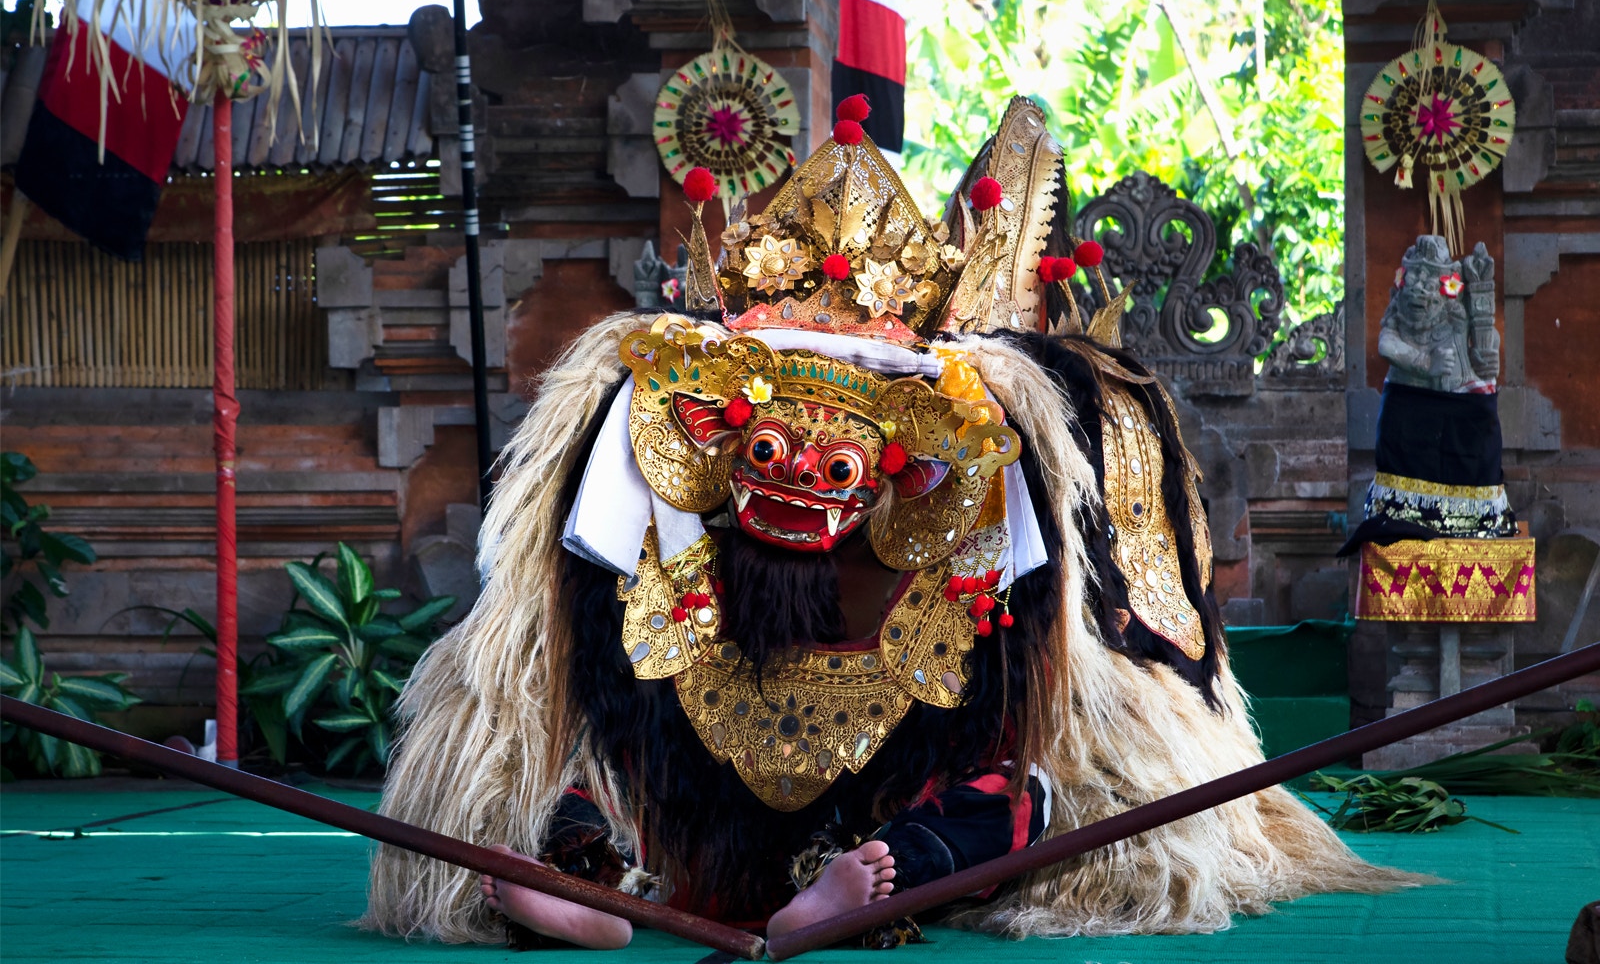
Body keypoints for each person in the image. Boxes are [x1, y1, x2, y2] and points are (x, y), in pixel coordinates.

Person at [364, 97, 1414, 950]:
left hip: (894, 787)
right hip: (691, 791)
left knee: (1037, 792)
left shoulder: (990, 516)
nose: (796, 473)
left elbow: (1042, 712)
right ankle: (585, 874)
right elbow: (565, 671)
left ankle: (882, 878)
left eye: (836, 457)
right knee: (570, 758)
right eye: (765, 443)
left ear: (904, 460)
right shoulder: (653, 497)